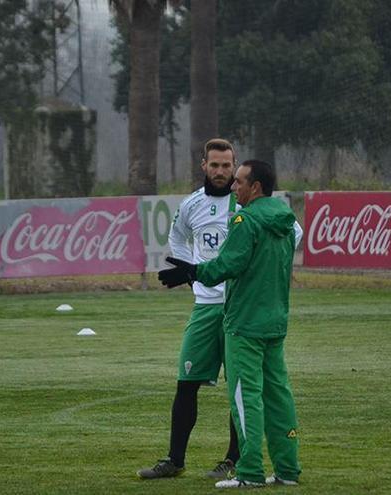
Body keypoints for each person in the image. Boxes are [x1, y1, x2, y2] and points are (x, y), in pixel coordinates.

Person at [159, 160, 302, 489]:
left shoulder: (245, 219)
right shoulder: (285, 220)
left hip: (244, 324)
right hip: (275, 322)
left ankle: (249, 472)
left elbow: (228, 264)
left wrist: (193, 272)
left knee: (244, 396)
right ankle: (287, 469)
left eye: (239, 182)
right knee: (278, 395)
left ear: (255, 187)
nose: (233, 188)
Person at [137, 139, 242, 480]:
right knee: (186, 381)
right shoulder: (192, 204)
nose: (221, 172)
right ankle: (174, 461)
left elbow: (290, 233)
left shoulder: (247, 203)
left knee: (239, 385)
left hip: (239, 307)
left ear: (234, 166)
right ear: (204, 166)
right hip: (205, 305)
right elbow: (178, 236)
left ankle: (233, 460)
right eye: (215, 165)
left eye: (227, 166)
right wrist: (190, 272)